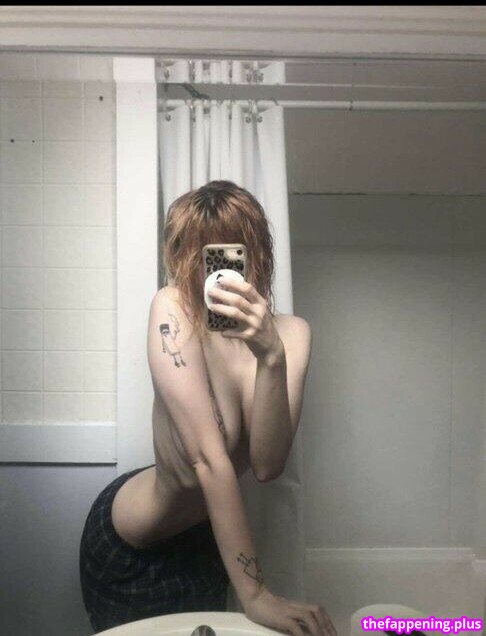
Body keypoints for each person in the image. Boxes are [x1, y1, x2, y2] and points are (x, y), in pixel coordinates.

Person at [79, 180, 337, 636]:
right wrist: (256, 595)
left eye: (226, 254)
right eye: (197, 254)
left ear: (257, 254)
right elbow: (208, 459)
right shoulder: (173, 309)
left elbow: (267, 465)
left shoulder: (292, 334)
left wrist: (270, 357)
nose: (211, 272)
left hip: (207, 539)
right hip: (136, 545)